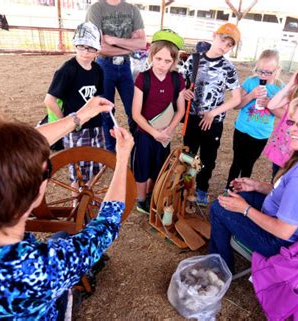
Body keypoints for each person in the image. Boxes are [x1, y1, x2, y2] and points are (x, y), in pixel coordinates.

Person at [0, 97, 135, 320]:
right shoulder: (42, 268)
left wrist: (79, 117)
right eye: (46, 170)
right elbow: (108, 222)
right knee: (63, 237)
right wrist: (123, 157)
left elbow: (9, 154)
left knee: (61, 235)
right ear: (38, 191)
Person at [209, 97, 298, 273]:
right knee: (234, 198)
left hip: (281, 243)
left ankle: (219, 268)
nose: (292, 129)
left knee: (219, 208)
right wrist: (258, 186)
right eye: (292, 122)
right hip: (289, 224)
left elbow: (283, 231)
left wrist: (245, 209)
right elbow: (291, 195)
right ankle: (223, 244)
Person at [179, 23, 242, 206]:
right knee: (189, 154)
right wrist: (183, 92)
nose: (224, 46)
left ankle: (201, 189)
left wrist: (213, 113)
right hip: (192, 117)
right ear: (214, 36)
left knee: (208, 157)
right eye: (223, 40)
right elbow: (181, 84)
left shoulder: (228, 67)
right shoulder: (194, 59)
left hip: (213, 122)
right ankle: (185, 186)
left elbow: (236, 98)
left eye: (229, 45)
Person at [44, 21, 105, 192]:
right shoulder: (67, 70)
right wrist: (68, 123)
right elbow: (49, 100)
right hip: (76, 128)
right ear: (75, 45)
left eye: (90, 48)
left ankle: (88, 198)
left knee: (96, 164)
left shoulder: (98, 70)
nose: (85, 52)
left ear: (97, 50)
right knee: (78, 169)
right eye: (81, 46)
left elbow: (97, 95)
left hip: (96, 126)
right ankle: (76, 203)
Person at [131, 29, 186, 214]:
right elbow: (136, 114)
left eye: (168, 61)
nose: (162, 65)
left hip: (165, 135)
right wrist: (154, 132)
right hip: (146, 134)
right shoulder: (143, 78)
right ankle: (141, 200)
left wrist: (169, 130)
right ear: (151, 55)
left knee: (159, 168)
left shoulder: (177, 79)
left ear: (174, 61)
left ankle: (153, 196)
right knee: (142, 169)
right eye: (158, 59)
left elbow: (181, 110)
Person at [86, 0, 146, 151]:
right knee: (107, 110)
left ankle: (137, 147)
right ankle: (111, 151)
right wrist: (129, 46)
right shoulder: (96, 9)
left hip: (126, 65)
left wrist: (113, 40)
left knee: (134, 109)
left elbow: (141, 43)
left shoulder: (133, 9)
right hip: (104, 65)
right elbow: (99, 47)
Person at [225, 49, 284, 189]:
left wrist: (269, 104)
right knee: (237, 162)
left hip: (261, 134)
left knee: (248, 164)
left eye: (268, 72)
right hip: (242, 130)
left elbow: (284, 114)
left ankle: (242, 190)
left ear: (277, 69)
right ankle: (228, 189)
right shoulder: (251, 82)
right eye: (260, 71)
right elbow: (236, 105)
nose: (263, 75)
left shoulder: (280, 88)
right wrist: (251, 95)